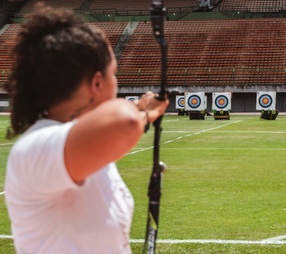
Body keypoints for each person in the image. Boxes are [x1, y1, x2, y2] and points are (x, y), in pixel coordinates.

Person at [4, 4, 169, 254]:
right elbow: (123, 123)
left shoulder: (78, 141)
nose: (117, 81)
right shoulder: (34, 148)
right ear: (97, 82)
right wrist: (143, 110)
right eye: (114, 73)